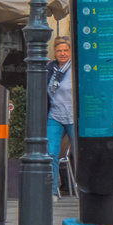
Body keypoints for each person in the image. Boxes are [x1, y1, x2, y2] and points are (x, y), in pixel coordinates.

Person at [48, 36, 76, 198]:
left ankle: (85, 187)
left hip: (73, 117)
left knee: (80, 153)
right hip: (55, 115)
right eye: (59, 50)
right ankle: (52, 190)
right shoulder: (50, 69)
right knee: (51, 152)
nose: (62, 53)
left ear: (71, 51)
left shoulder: (76, 69)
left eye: (66, 50)